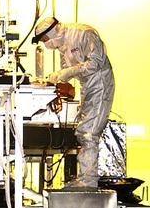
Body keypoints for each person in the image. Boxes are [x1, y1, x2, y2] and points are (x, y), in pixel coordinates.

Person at [31, 16, 115, 188]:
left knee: (88, 133)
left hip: (100, 83)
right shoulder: (63, 47)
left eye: (45, 39)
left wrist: (68, 72)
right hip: (88, 87)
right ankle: (84, 179)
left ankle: (88, 182)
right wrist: (54, 80)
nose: (46, 44)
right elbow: (67, 73)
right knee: (82, 130)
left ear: (53, 32)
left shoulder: (84, 33)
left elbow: (96, 63)